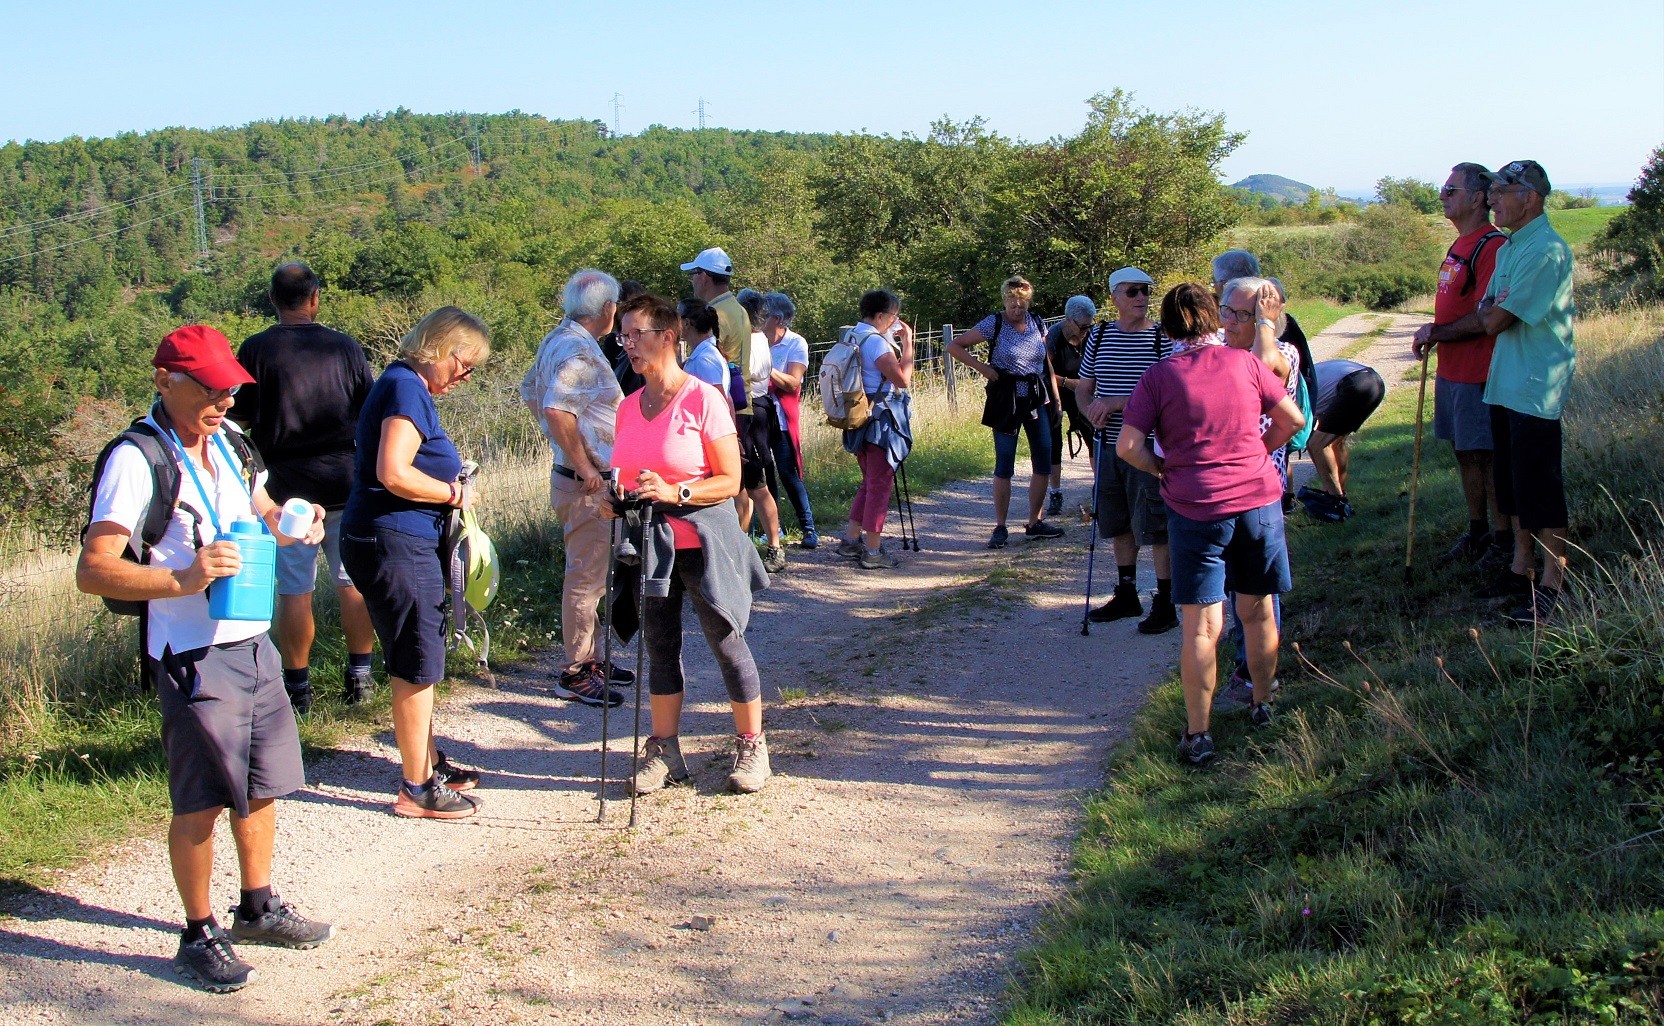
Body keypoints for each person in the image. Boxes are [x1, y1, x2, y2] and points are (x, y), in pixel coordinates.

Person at [77, 324, 334, 992]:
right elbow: (94, 568)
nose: (223, 400)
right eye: (210, 388)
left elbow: (259, 510)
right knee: (202, 801)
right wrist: (180, 580)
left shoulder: (228, 442)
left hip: (252, 640)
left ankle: (257, 906)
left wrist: (293, 522)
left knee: (261, 785)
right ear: (165, 381)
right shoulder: (138, 458)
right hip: (191, 651)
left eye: (230, 389)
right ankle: (197, 933)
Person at [1116, 284, 1304, 765]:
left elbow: (1127, 447)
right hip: (1256, 500)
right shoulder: (1246, 364)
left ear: (1168, 327)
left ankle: (1198, 734)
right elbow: (1291, 419)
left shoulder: (1159, 377)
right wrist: (1256, 457)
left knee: (1202, 628)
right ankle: (1263, 703)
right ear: (1213, 320)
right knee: (1258, 610)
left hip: (1194, 505)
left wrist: (1163, 470)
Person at [606, 292, 773, 795]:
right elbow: (627, 475)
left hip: (703, 539)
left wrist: (676, 491)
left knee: (726, 643)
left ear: (669, 338)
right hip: (650, 545)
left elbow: (728, 480)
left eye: (637, 335)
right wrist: (615, 497)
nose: (628, 345)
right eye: (623, 336)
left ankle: (752, 745)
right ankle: (664, 750)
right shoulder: (629, 406)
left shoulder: (704, 398)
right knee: (659, 649)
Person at [340, 307, 491, 819]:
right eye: (465, 364)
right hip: (395, 540)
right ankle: (417, 787)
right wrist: (453, 494)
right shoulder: (406, 387)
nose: (466, 376)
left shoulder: (402, 384)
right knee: (416, 656)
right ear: (442, 350)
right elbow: (393, 471)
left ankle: (427, 762)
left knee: (416, 651)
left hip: (388, 537)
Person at [231, 263, 377, 714]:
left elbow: (238, 422)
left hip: (283, 491)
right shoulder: (344, 347)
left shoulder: (254, 350)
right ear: (314, 298)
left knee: (295, 589)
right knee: (352, 581)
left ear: (273, 301)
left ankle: (298, 687)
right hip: (344, 482)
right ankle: (361, 676)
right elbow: (370, 413)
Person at [1455, 160, 1576, 625]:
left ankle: (1553, 583)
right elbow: (1489, 310)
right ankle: (1521, 567)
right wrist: (1492, 307)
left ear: (1529, 198)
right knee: (1512, 483)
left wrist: (1492, 308)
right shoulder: (1510, 248)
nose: (1492, 199)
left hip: (1535, 385)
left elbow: (1495, 318)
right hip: (1508, 380)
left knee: (1540, 486)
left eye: (1502, 192)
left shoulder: (1545, 250)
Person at [519, 268, 631, 707]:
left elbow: (531, 392)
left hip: (580, 477)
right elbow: (555, 408)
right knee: (585, 579)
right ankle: (577, 670)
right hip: (586, 483)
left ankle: (594, 659)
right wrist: (583, 462)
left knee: (595, 575)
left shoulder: (558, 340)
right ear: (608, 309)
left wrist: (569, 445)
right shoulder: (578, 352)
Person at [1412, 163, 1509, 567]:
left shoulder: (1492, 246)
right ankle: (1478, 531)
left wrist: (1439, 333)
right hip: (1452, 371)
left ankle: (1503, 541)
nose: (1443, 195)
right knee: (1465, 455)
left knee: (1486, 457)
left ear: (1477, 198)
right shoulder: (1459, 245)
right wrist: (1435, 330)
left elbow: (1488, 315)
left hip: (1478, 372)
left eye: (1451, 189)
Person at [1077, 268, 1176, 633]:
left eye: (1146, 291)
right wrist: (1090, 411)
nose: (1141, 297)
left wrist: (1117, 403)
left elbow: (1169, 392)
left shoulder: (1161, 339)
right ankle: (1127, 592)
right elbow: (1084, 387)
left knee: (1155, 524)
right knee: (1117, 521)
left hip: (1147, 447)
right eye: (1133, 291)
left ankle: (1165, 602)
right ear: (1114, 297)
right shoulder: (1099, 335)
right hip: (1107, 445)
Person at [946, 275, 1065, 548]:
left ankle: (1034, 522)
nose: (1017, 308)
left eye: (1022, 303)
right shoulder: (994, 323)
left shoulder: (1037, 322)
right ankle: (1000, 527)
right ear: (1004, 300)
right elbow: (954, 346)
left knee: (1043, 459)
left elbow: (1046, 361)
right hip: (1006, 398)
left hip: (1036, 397)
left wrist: (1056, 399)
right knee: (1005, 463)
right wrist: (985, 369)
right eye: (1012, 303)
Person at [835, 290, 915, 570]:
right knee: (880, 485)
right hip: (881, 420)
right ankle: (872, 551)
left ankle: (851, 540)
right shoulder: (877, 344)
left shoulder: (854, 335)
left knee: (869, 481)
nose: (895, 322)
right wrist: (908, 345)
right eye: (893, 317)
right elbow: (902, 379)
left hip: (857, 417)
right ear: (881, 316)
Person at [759, 291, 819, 548]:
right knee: (766, 473)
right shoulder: (757, 340)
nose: (759, 317)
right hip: (759, 414)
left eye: (764, 313)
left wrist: (763, 367)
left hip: (782, 417)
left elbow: (793, 382)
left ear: (778, 318)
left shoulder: (797, 343)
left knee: (787, 472)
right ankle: (775, 529)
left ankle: (809, 528)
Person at [735, 289, 788, 573]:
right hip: (753, 410)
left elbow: (745, 378)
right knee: (741, 484)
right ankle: (741, 545)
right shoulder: (758, 339)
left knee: (756, 483)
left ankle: (774, 547)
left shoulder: (752, 341)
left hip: (752, 412)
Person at [1296, 359, 1387, 521]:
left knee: (1316, 444)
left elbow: (1296, 429)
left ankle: (1335, 501)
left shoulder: (1295, 390)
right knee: (1335, 442)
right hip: (1372, 381)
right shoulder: (1303, 377)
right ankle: (1339, 495)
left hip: (1354, 384)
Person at [1045, 294, 1097, 516]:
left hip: (1082, 391)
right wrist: (1067, 383)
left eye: (1090, 325)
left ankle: (1100, 488)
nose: (1086, 330)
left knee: (1093, 434)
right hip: (1057, 389)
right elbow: (1043, 372)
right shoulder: (1054, 337)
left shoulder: (1093, 335)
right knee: (1053, 442)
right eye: (1083, 326)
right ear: (1069, 320)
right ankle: (1055, 492)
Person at [678, 298, 727, 391]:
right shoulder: (702, 355)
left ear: (686, 323)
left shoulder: (705, 360)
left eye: (676, 317)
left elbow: (718, 398)